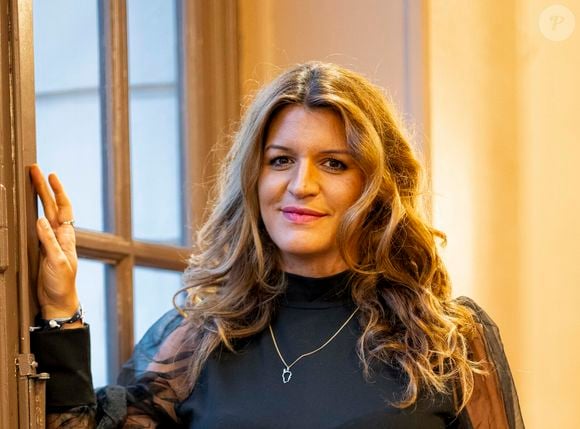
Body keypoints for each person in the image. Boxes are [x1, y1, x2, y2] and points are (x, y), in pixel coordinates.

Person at [29, 61, 524, 428]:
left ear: (375, 186)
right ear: (255, 177)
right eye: (281, 160)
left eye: (334, 163)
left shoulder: (447, 340)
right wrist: (60, 308)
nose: (301, 185)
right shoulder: (198, 339)